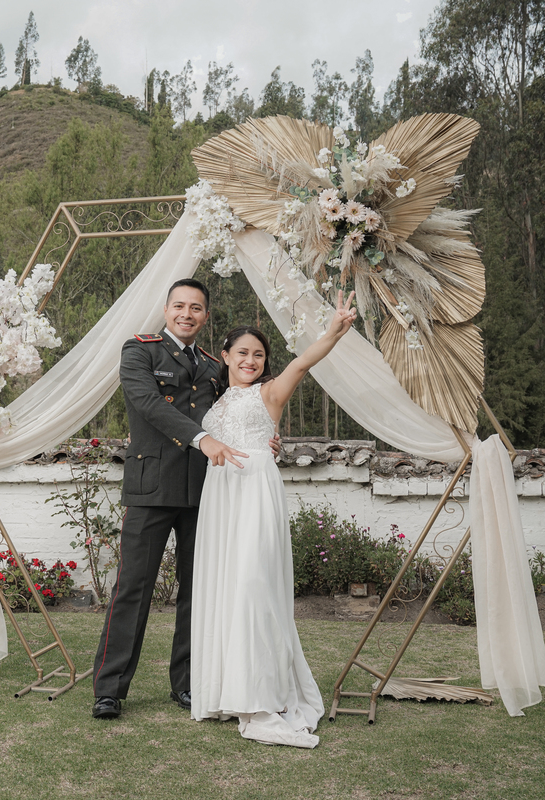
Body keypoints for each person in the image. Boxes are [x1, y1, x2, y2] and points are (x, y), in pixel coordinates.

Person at [91, 278, 279, 720]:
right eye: (179, 306)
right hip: (152, 488)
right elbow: (148, 403)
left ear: (206, 316)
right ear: (166, 309)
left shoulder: (214, 364)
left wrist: (269, 437)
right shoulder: (140, 351)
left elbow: (243, 405)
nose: (186, 314)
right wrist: (201, 438)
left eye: (196, 308)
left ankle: (190, 684)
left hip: (204, 490)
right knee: (132, 588)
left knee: (199, 591)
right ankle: (109, 689)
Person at [190, 291, 357, 748]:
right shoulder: (214, 400)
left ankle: (261, 696)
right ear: (225, 356)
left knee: (253, 586)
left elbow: (303, 363)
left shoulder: (270, 392)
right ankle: (227, 690)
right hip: (220, 495)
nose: (251, 360)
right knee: (225, 589)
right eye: (243, 353)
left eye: (259, 355)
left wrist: (334, 330)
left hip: (255, 492)